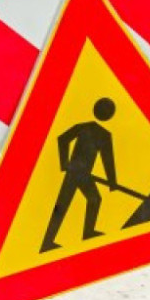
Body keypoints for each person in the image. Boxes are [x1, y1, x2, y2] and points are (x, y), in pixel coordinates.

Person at [40, 97, 119, 253]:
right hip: (75, 173)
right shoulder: (97, 132)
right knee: (65, 204)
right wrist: (65, 164)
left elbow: (107, 160)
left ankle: (86, 232)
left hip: (81, 173)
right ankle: (48, 242)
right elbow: (62, 139)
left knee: (92, 199)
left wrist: (112, 182)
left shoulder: (94, 131)